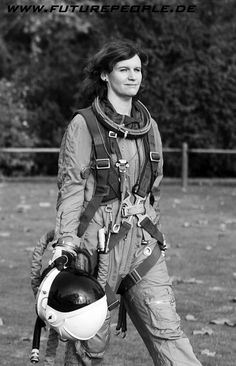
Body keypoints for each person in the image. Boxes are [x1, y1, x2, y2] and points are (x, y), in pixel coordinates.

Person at [52, 40, 203, 366]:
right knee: (89, 344)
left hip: (143, 246)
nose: (133, 75)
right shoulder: (84, 125)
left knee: (167, 331)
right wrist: (65, 241)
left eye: (137, 69)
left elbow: (154, 188)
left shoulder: (151, 129)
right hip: (95, 247)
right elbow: (72, 186)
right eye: (124, 69)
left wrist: (153, 226)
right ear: (105, 75)